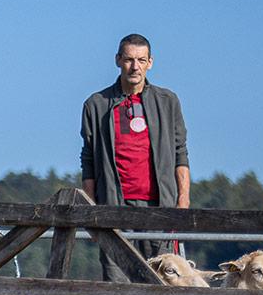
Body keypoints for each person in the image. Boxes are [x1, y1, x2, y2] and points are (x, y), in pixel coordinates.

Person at [80, 32, 189, 267]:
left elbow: (180, 152)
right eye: (129, 59)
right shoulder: (96, 105)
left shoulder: (168, 101)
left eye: (141, 60)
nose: (134, 67)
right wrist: (91, 210)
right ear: (118, 60)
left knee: (162, 279)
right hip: (114, 207)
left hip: (160, 208)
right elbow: (88, 160)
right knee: (117, 281)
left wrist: (182, 203)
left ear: (150, 63)